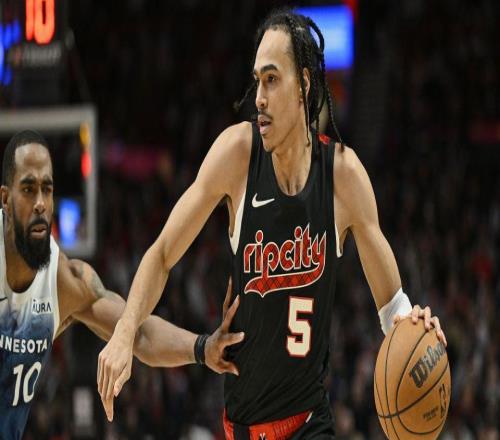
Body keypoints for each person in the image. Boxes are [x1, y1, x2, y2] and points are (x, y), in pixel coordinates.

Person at [99, 9, 448, 439]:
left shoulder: (342, 175)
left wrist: (416, 326)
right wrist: (125, 331)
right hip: (244, 428)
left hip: (309, 423)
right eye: (257, 81)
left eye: (271, 79)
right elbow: (162, 254)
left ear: (303, 85)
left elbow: (393, 307)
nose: (259, 98)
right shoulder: (236, 155)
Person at [0, 130, 243, 440]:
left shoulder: (63, 281)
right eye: (28, 189)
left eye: (46, 190)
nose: (40, 204)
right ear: (5, 199)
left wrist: (203, 348)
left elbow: (136, 333)